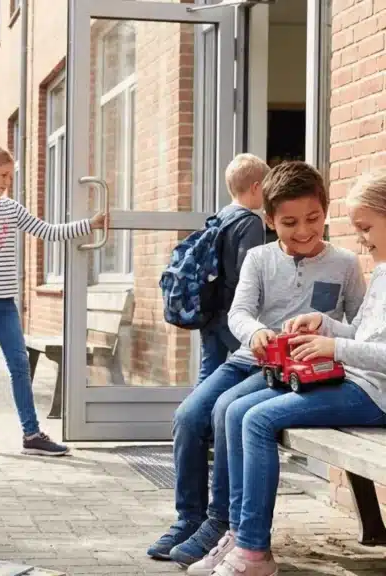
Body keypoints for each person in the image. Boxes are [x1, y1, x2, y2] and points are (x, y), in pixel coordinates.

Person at [149, 161, 367, 569]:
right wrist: (254, 334)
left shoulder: (346, 264)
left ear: (326, 210)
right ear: (269, 219)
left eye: (313, 219)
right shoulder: (259, 258)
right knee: (188, 416)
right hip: (250, 358)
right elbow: (239, 313)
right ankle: (190, 519)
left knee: (224, 412)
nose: (303, 231)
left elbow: (359, 326)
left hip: (296, 370)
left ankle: (221, 522)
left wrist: (329, 333)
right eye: (289, 222)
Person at [195, 171, 386, 576]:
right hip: (355, 382)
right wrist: (325, 324)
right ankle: (238, 535)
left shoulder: (361, 267)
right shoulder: (382, 271)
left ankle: (253, 550)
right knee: (235, 411)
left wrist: (333, 347)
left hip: (373, 395)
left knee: (258, 419)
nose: (361, 238)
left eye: (366, 228)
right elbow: (362, 334)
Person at [0, 144, 104, 458]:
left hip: (5, 304)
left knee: (19, 365)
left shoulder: (10, 208)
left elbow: (47, 231)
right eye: (3, 175)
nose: (8, 181)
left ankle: (31, 434)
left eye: (11, 175)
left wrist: (90, 224)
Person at [198, 154, 270, 383]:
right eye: (266, 188)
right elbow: (249, 270)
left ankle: (192, 417)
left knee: (209, 372)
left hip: (211, 309)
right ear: (256, 187)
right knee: (255, 367)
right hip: (234, 311)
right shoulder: (251, 222)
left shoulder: (219, 218)